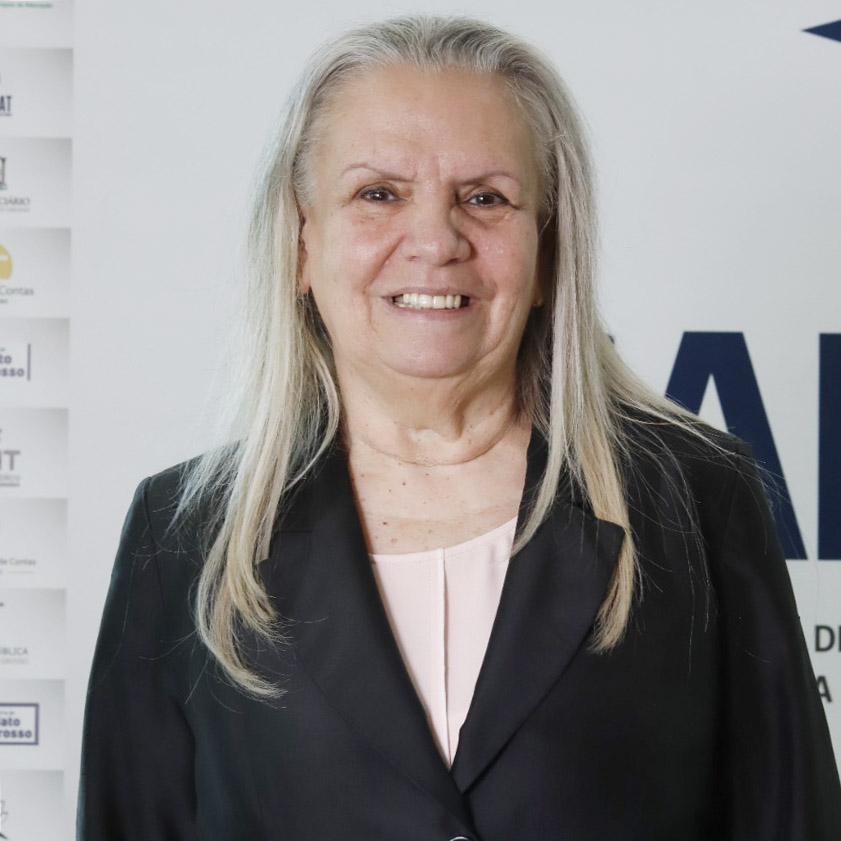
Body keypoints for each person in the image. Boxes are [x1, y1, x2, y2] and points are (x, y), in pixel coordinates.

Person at [77, 14, 841, 841]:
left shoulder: (694, 499)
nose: (436, 241)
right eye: (378, 194)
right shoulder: (183, 538)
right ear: (301, 242)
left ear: (547, 249)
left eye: (484, 198)